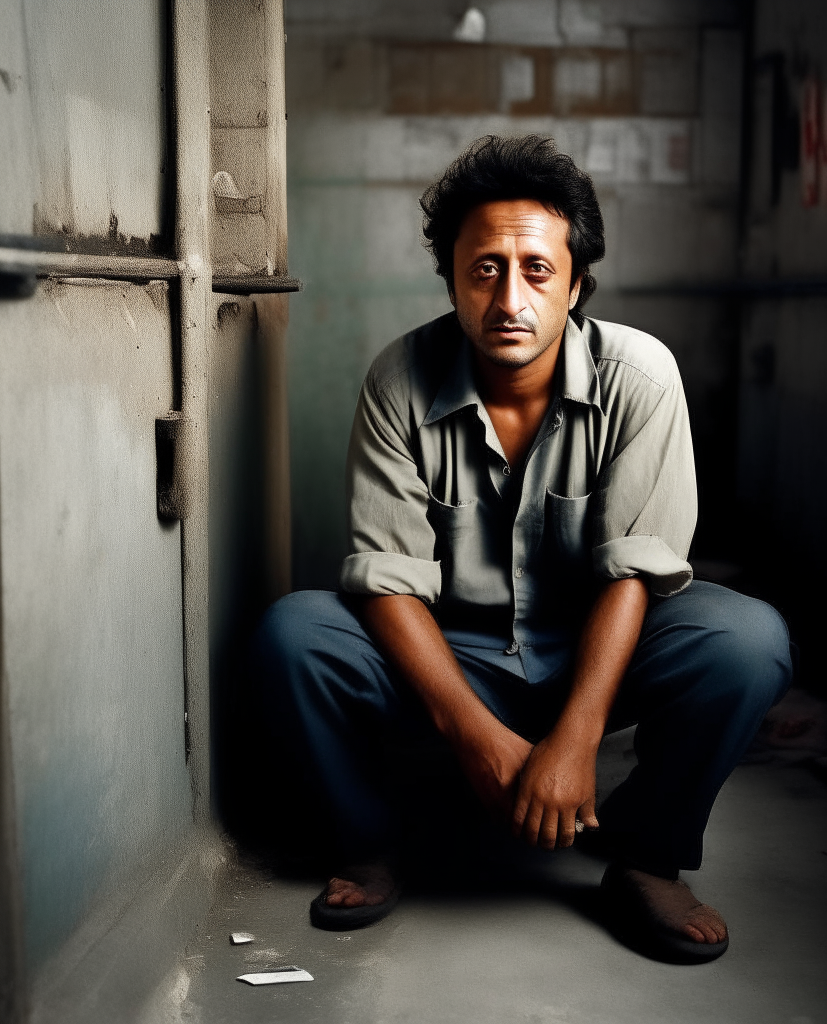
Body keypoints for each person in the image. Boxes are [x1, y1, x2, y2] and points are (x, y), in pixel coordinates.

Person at [255, 135, 792, 963]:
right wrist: (475, 735)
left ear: (575, 283)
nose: (510, 297)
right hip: (458, 650)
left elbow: (636, 573)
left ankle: (644, 856)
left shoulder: (639, 378)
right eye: (485, 270)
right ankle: (370, 840)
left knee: (748, 641)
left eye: (537, 271)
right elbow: (387, 583)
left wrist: (577, 741)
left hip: (598, 651)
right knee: (295, 633)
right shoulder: (400, 378)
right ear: (452, 280)